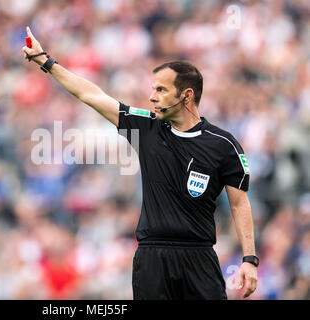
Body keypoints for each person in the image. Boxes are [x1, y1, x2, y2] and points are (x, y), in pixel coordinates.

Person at [22, 26, 258, 300]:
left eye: (161, 89)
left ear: (187, 95)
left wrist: (249, 259)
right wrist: (46, 62)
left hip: (199, 257)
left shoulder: (222, 144)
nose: (152, 97)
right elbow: (92, 95)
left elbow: (240, 203)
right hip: (151, 258)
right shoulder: (146, 127)